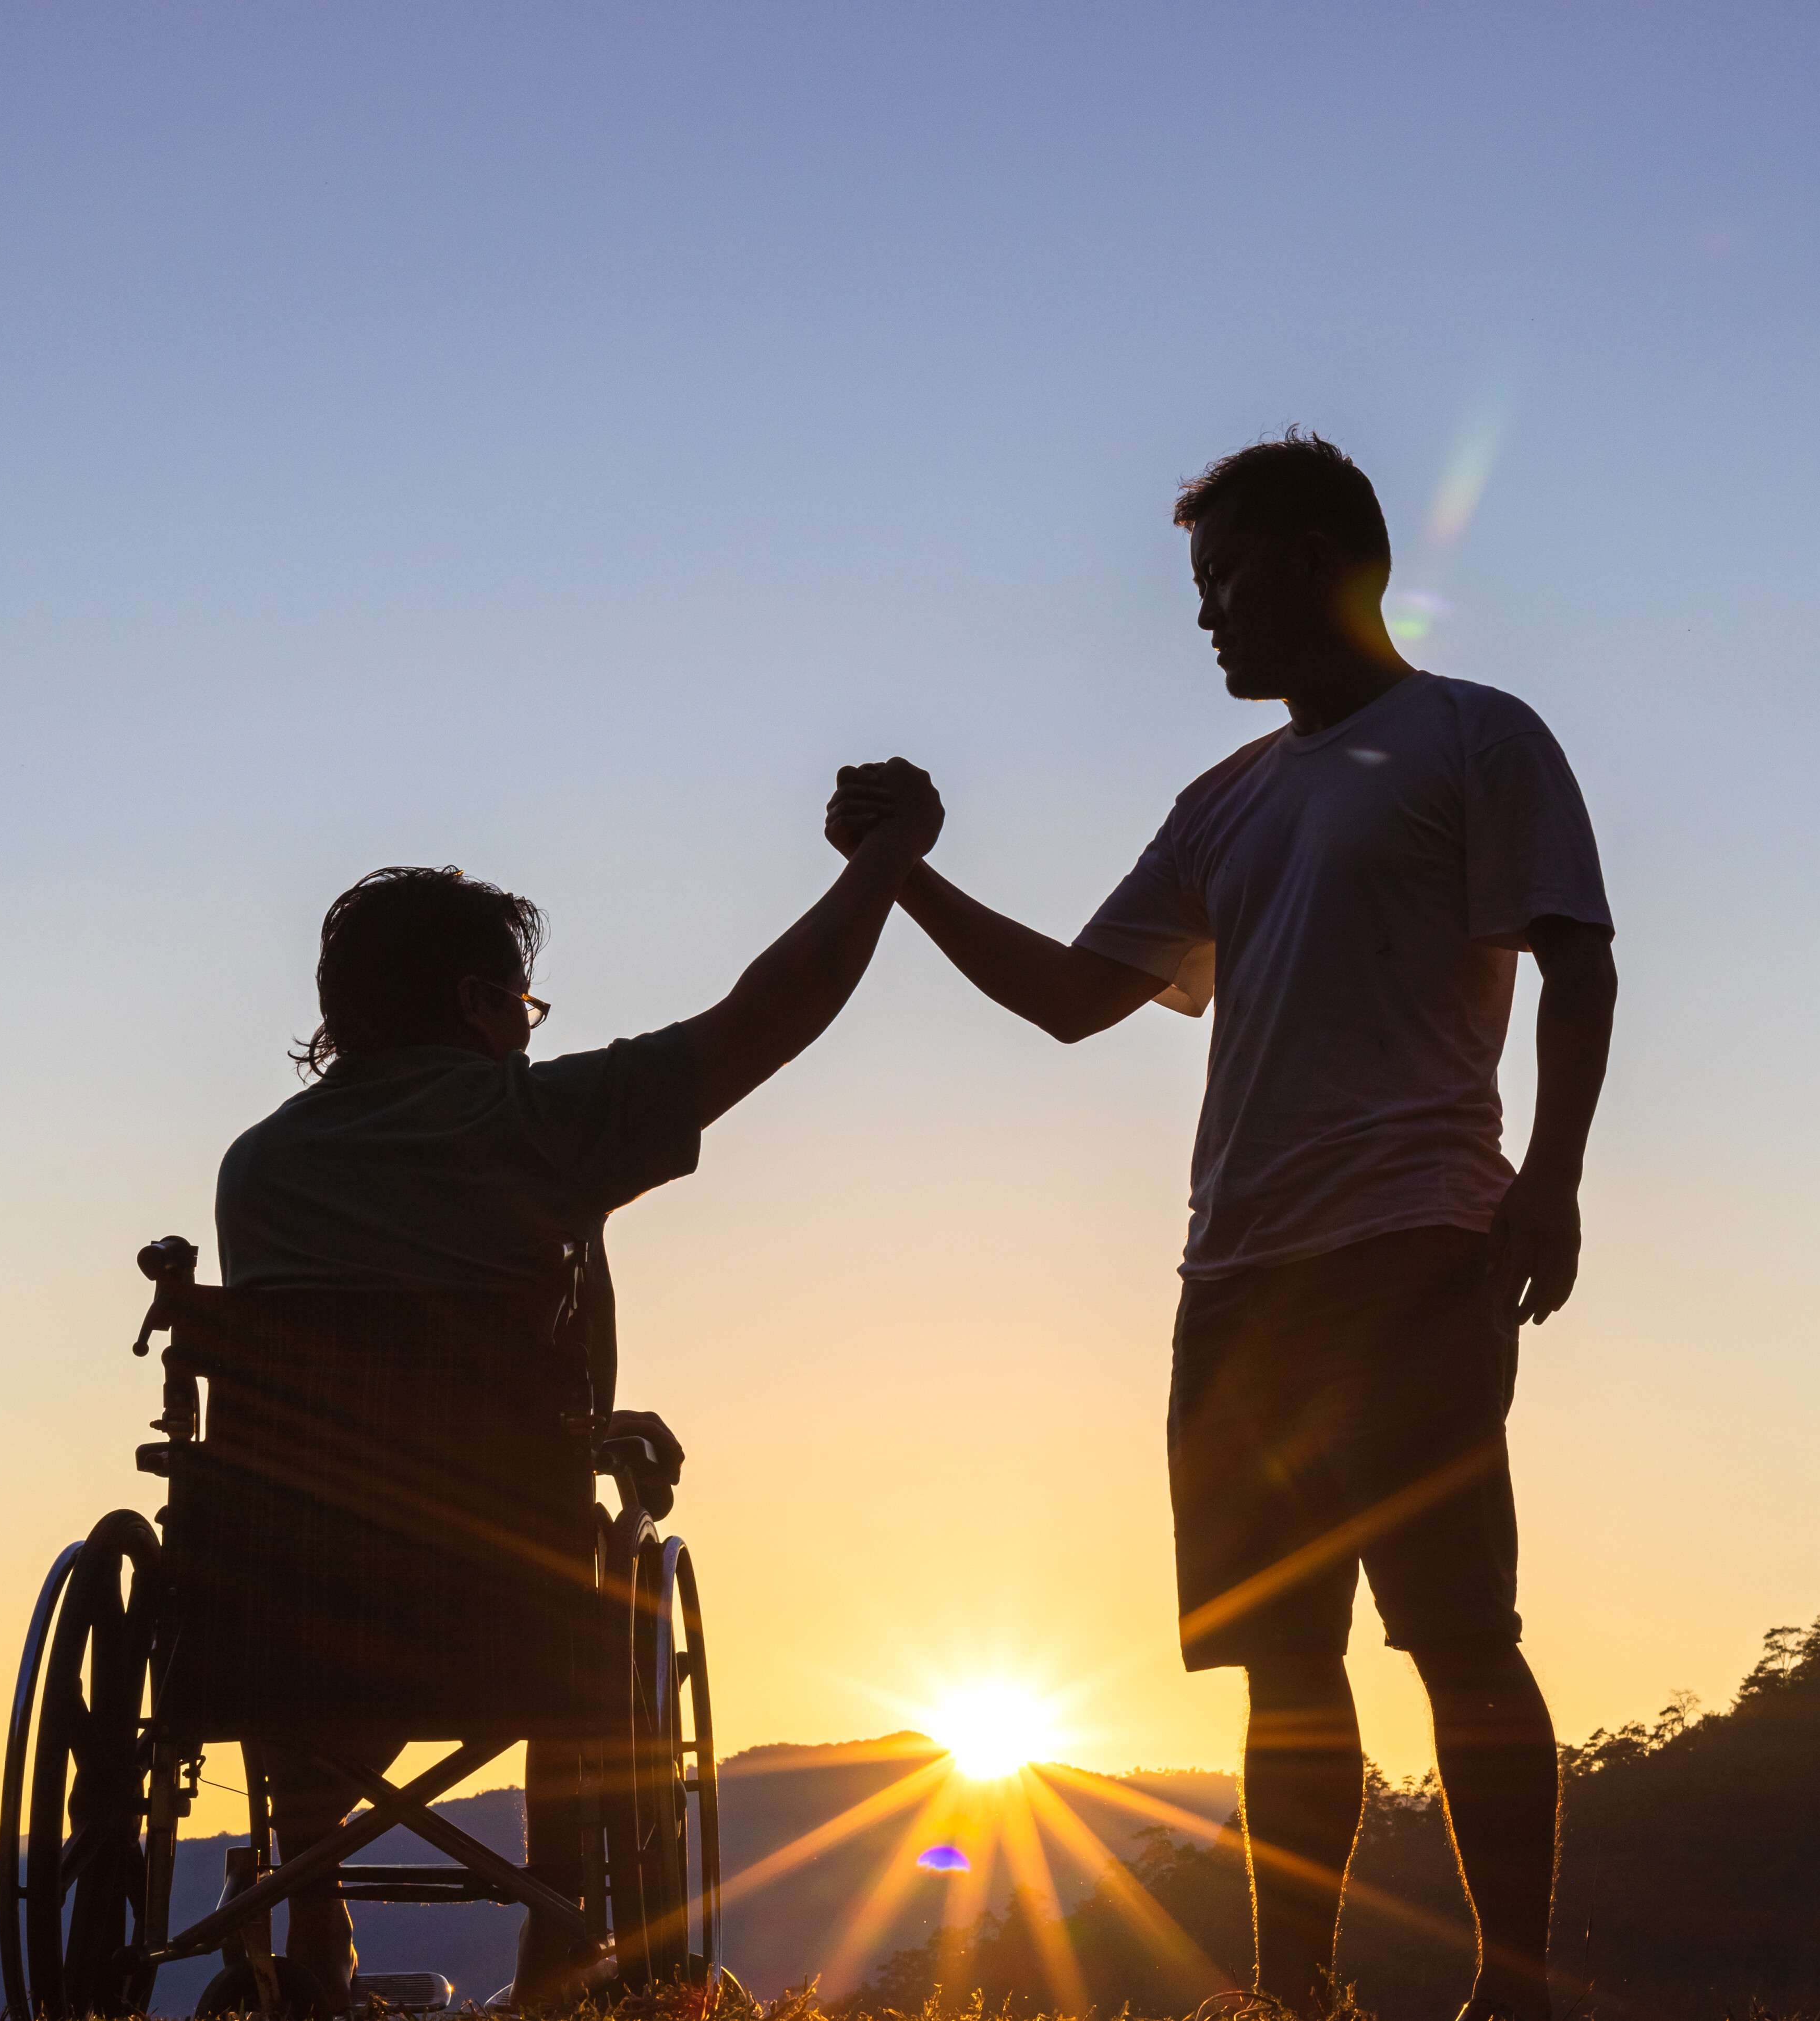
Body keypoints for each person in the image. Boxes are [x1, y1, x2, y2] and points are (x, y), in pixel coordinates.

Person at [829, 431, 1614, 2021]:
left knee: (1459, 1631)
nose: (1206, 616)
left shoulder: (1477, 735)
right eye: (1199, 585)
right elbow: (1068, 999)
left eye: (1229, 575)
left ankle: (1510, 1993)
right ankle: (1293, 1993)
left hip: (1414, 1239)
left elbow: (1577, 959)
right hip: (1237, 1273)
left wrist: (1552, 1175)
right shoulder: (1224, 803)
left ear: (1331, 554)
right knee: (1282, 1662)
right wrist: (906, 875)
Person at [213, 761, 939, 2011]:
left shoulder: (259, 1168)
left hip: (283, 1599)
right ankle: (557, 1957)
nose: (532, 1030)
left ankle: (311, 1903)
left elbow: (368, 1384)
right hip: (496, 1589)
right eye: (528, 1006)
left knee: (291, 1532)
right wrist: (885, 863)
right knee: (582, 1588)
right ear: (477, 1002)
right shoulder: (542, 1121)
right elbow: (773, 1011)